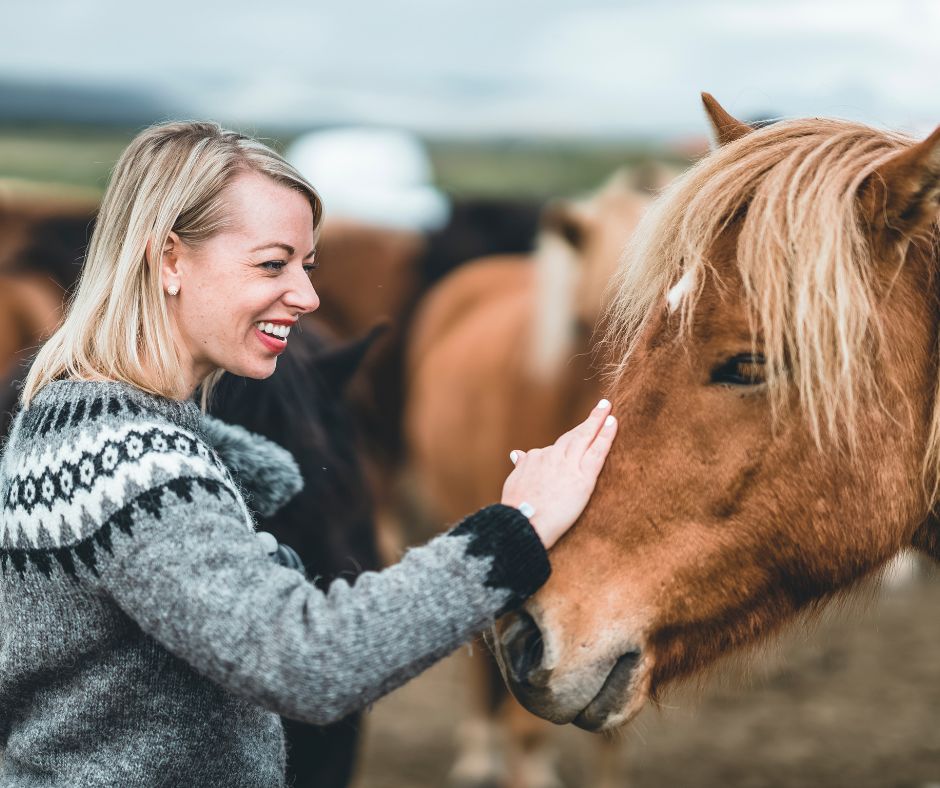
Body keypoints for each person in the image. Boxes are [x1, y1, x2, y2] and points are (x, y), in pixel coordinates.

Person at [0, 121, 617, 787]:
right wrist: (514, 529)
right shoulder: (128, 465)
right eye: (272, 264)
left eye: (306, 265)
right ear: (168, 259)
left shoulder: (90, 430)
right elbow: (308, 660)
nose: (308, 297)